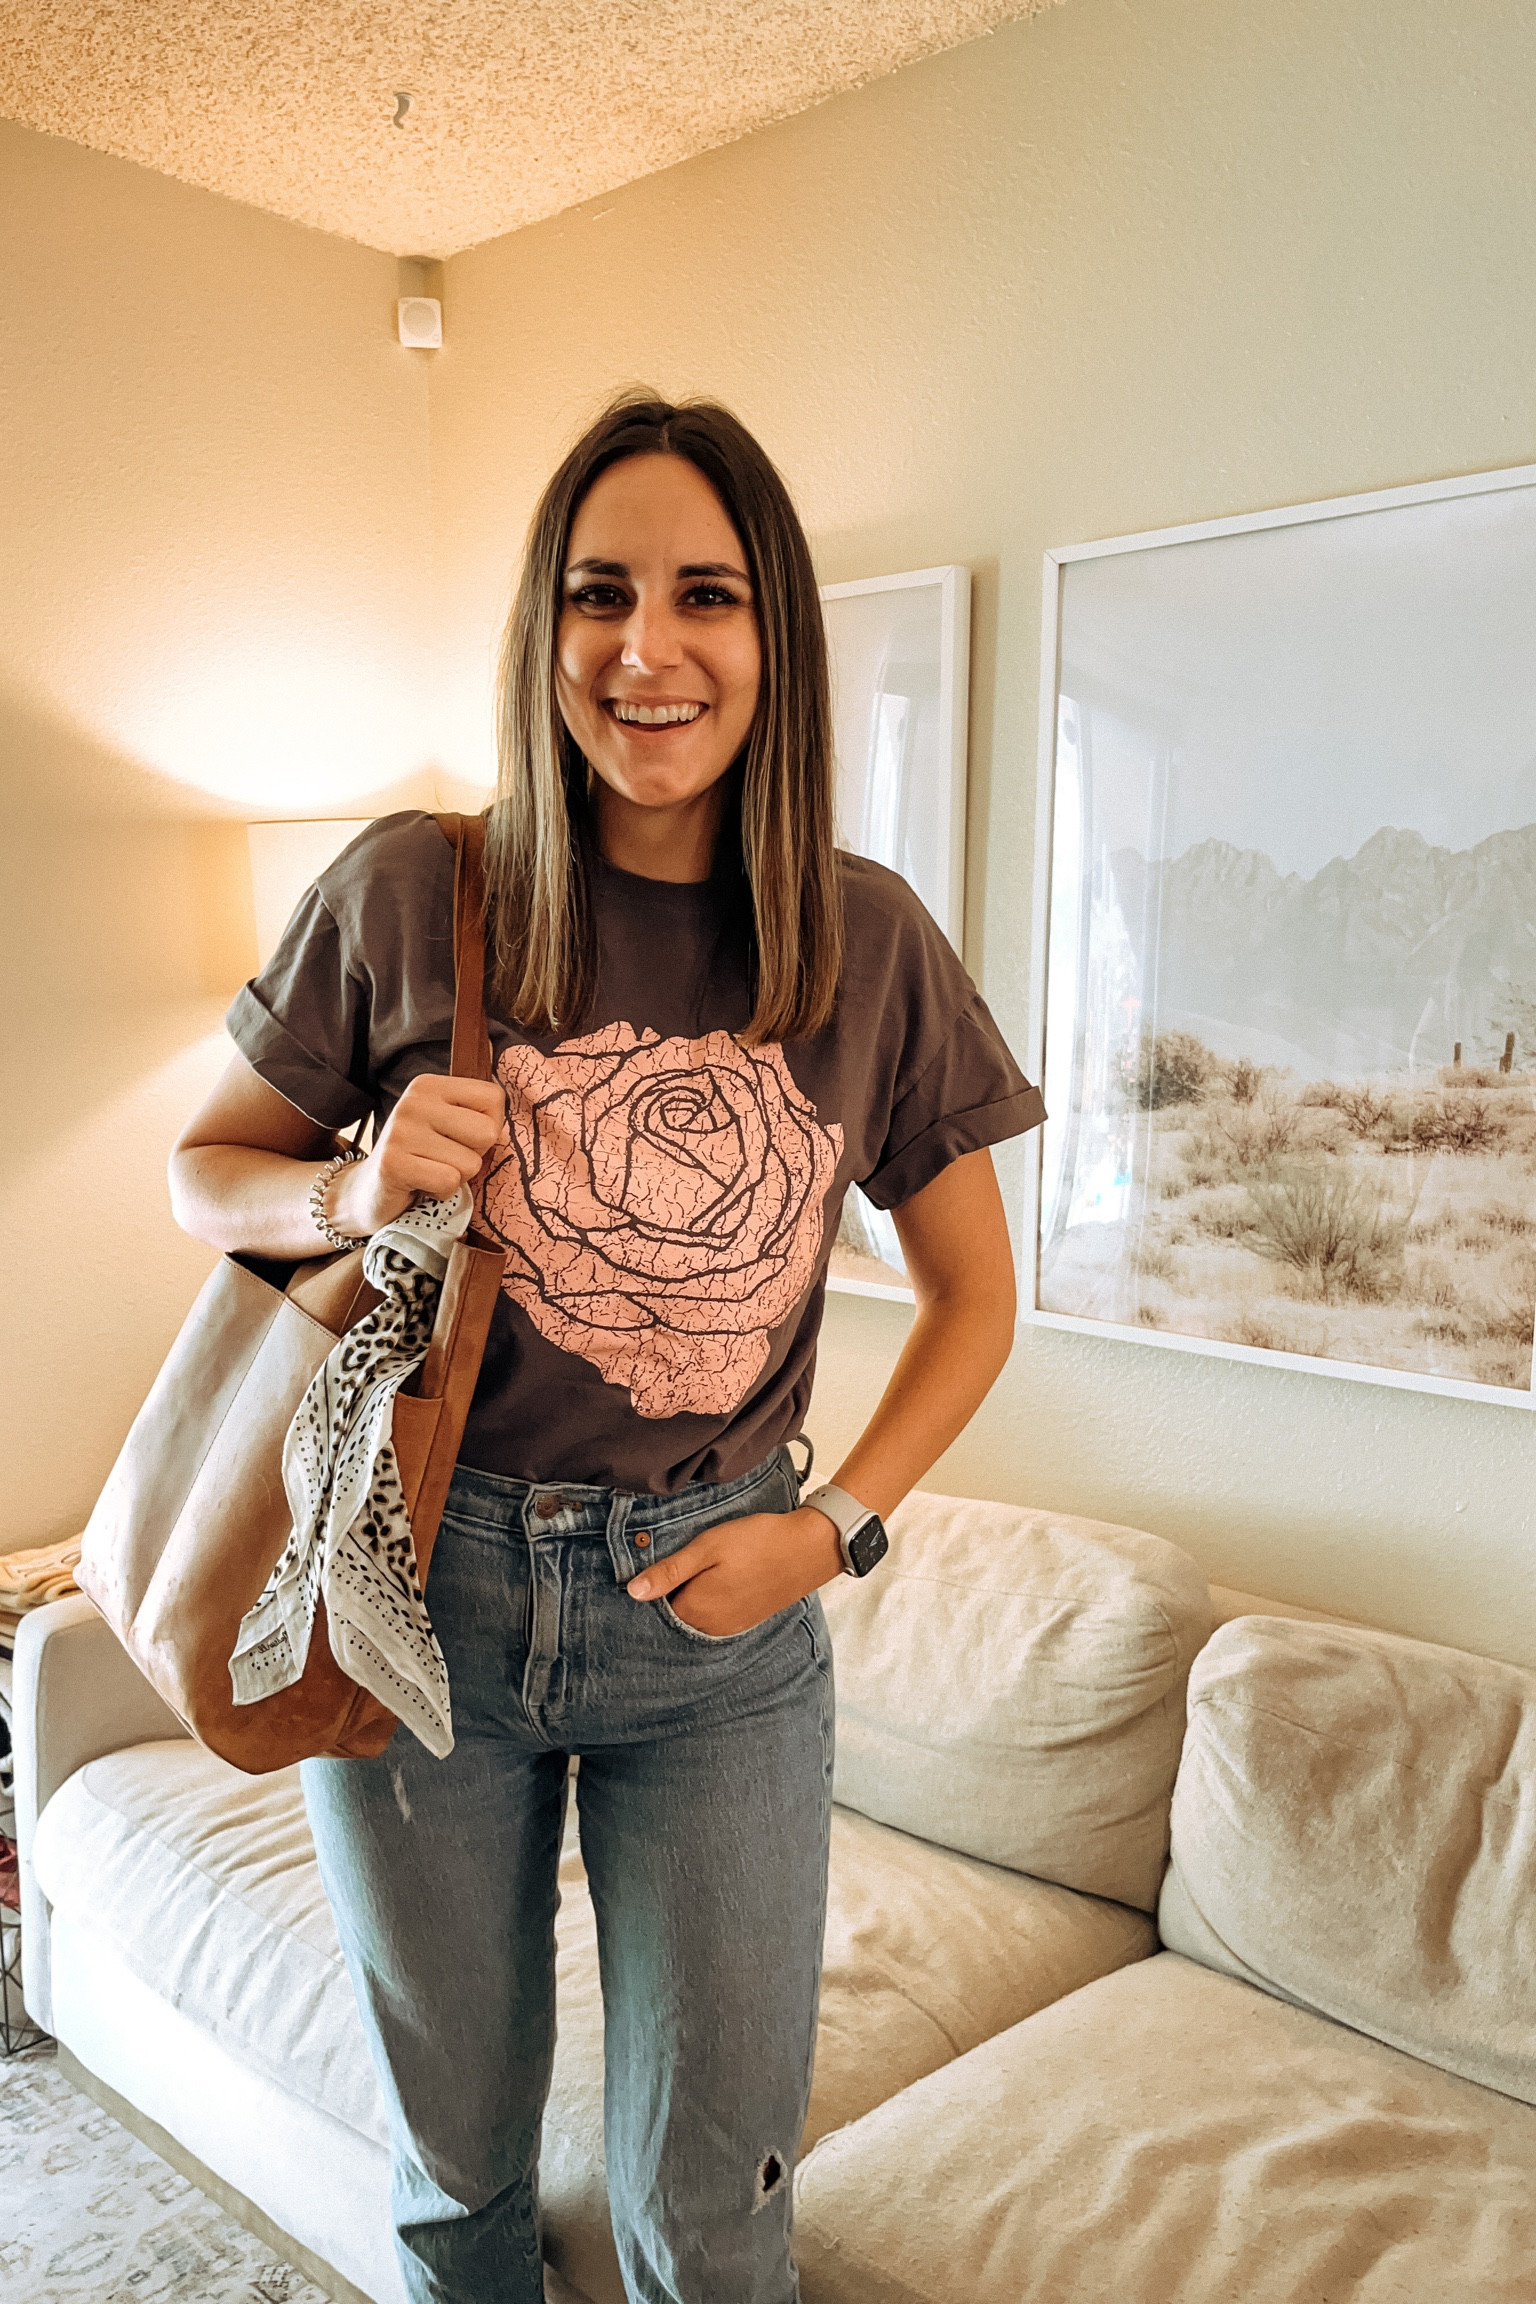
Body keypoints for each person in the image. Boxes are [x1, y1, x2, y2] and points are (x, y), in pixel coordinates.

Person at [169, 394, 1044, 2304]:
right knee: (458, 2179)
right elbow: (202, 1170)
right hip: (420, 1586)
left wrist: (836, 1531)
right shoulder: (415, 890)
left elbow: (978, 1299)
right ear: (543, 629)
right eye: (600, 594)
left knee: (708, 2222)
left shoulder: (870, 943)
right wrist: (352, 1182)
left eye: (706, 595)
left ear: (773, 636)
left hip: (717, 1627)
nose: (649, 648)